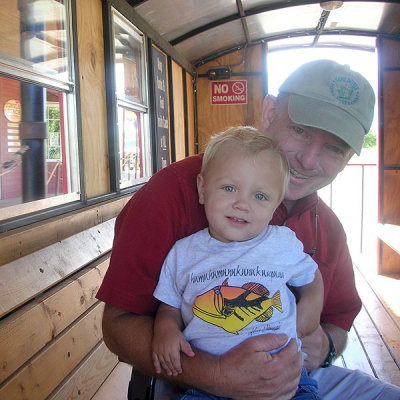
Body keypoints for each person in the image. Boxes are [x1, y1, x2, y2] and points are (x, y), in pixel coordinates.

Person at [97, 59, 400, 400]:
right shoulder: (174, 191)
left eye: (334, 148)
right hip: (189, 381)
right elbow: (118, 324)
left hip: (294, 379)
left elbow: (338, 323)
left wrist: (326, 346)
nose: (310, 161)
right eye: (300, 130)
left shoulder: (327, 227)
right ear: (269, 112)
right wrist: (216, 375)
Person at [151, 127, 324, 400]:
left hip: (283, 379)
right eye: (229, 188)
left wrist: (310, 313)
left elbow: (311, 278)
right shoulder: (183, 253)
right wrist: (166, 330)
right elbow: (169, 306)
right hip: (205, 388)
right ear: (203, 189)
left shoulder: (281, 242)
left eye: (260, 196)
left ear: (275, 205)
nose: (242, 204)